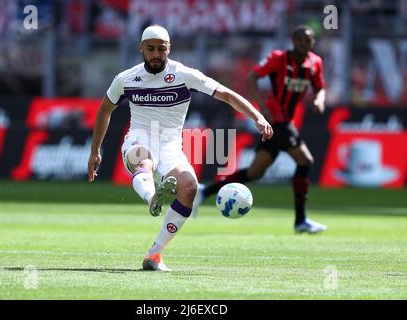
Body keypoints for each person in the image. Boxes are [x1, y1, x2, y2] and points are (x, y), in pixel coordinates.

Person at [87, 25, 273, 271]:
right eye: (150, 49)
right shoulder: (125, 79)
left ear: (169, 49)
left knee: (189, 187)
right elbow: (105, 110)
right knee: (144, 162)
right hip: (139, 139)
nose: (156, 54)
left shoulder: (185, 75)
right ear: (141, 48)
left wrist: (257, 116)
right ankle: (153, 197)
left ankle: (154, 256)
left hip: (171, 147)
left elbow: (227, 95)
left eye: (161, 49)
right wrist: (95, 151)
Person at [194, 25, 327, 234]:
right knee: (306, 161)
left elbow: (319, 88)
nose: (303, 43)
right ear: (292, 40)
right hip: (277, 119)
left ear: (313, 43)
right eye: (300, 39)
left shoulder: (315, 62)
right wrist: (262, 107)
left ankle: (203, 192)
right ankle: (301, 220)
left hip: (285, 122)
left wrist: (319, 99)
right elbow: (252, 78)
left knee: (254, 172)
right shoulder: (278, 58)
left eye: (307, 40)